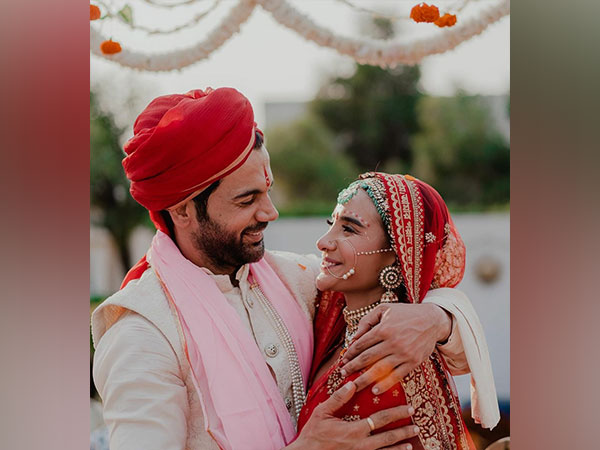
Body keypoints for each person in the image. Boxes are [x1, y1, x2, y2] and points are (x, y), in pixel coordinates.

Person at [92, 87, 478, 450]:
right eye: (247, 200)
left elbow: (450, 345)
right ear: (182, 210)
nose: (270, 212)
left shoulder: (294, 280)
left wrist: (435, 319)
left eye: (268, 190)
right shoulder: (142, 333)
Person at [296, 173, 500, 449]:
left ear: (398, 251)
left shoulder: (394, 355)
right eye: (331, 224)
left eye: (349, 229)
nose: (323, 241)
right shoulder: (333, 323)